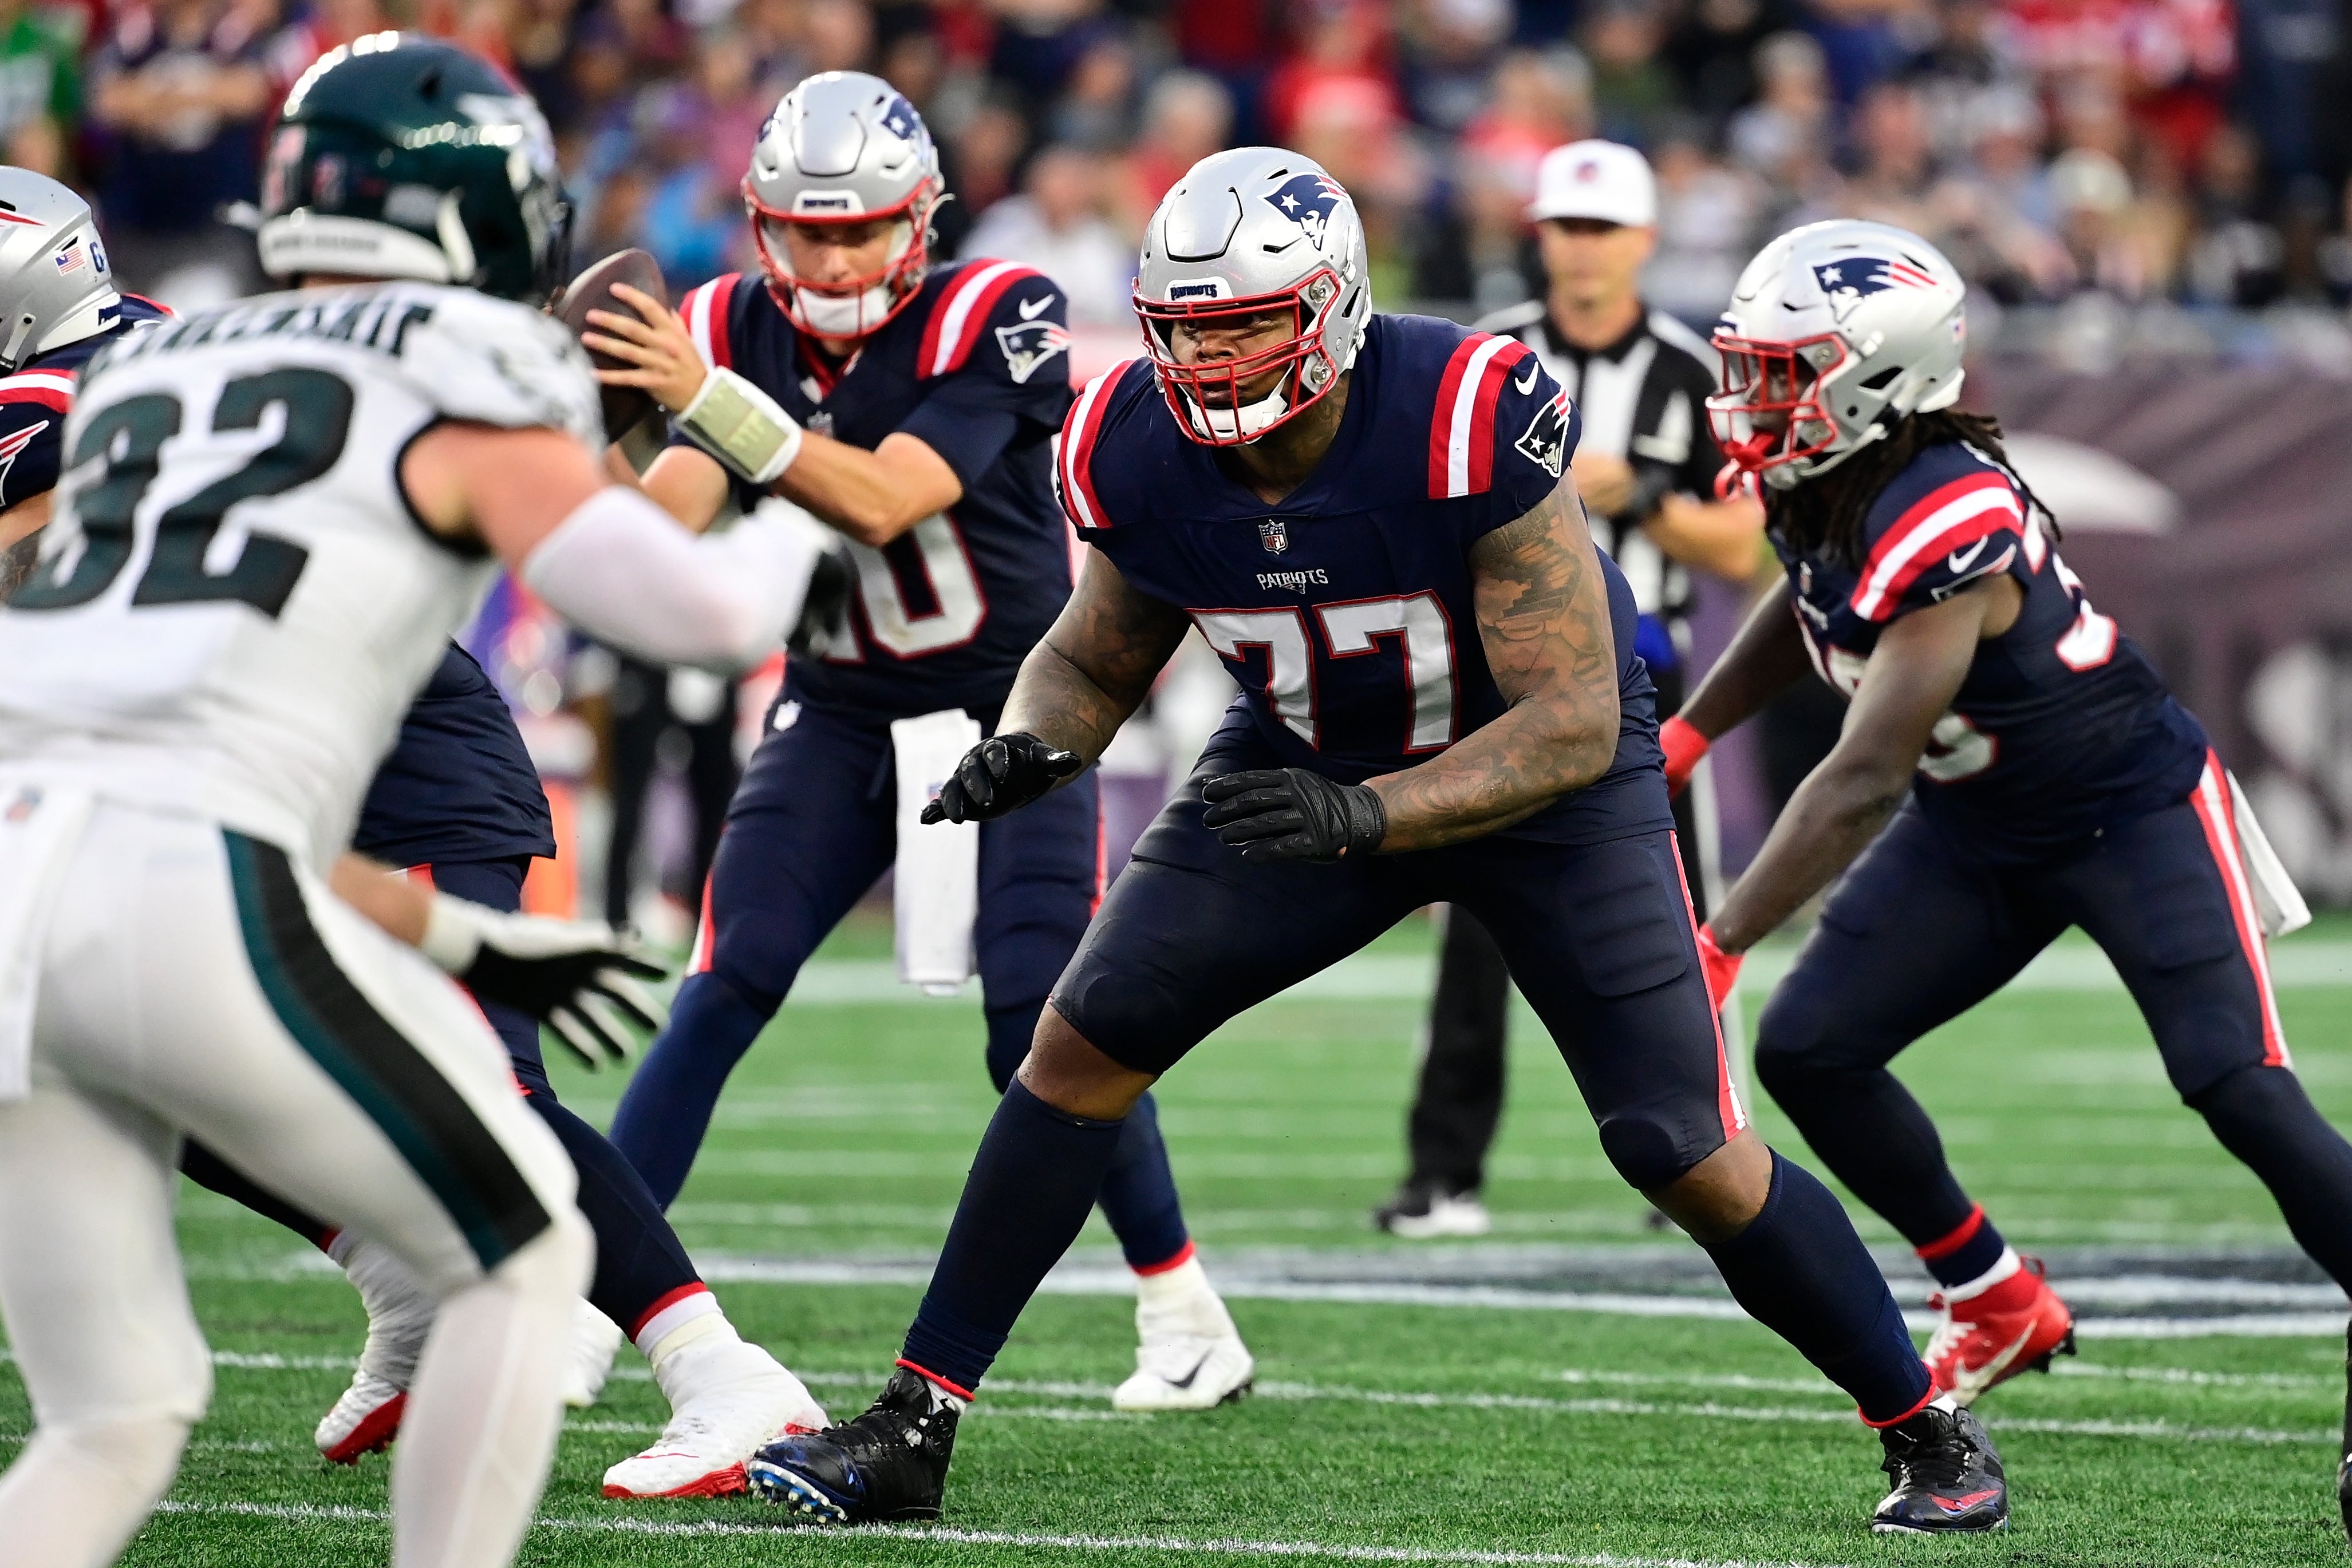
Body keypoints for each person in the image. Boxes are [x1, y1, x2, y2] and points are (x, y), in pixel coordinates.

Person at [742, 149, 2008, 1536]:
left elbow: (1577, 715)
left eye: (1247, 321)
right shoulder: (1126, 433)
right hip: (1306, 752)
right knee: (1081, 1039)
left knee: (1677, 1143)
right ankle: (916, 1420)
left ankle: (1925, 1426)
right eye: (1188, 325)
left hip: (1544, 791)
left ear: (1335, 307)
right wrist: (1036, 737)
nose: (1213, 357)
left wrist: (1369, 815)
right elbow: (1095, 654)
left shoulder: (1462, 405)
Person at [0, 37, 835, 1565]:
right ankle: (473, 1300)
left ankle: (711, 1368)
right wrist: (793, 500)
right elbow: (678, 594)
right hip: (244, 791)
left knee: (135, 1368)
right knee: (442, 1179)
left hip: (321, 781)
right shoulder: (236, 349)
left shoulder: (128, 381)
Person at [1671, 220, 2352, 1537]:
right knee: (1814, 1047)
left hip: (2124, 806)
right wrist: (1694, 731)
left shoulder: (1948, 511)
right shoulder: (1818, 469)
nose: (1752, 396)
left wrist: (1722, 932)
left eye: (1780, 370)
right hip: (1980, 820)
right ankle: (1988, 1288)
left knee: (2232, 1081)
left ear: (1873, 377)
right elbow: (1807, 603)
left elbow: (1863, 772)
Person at [583, 69, 1251, 1413]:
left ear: (921, 222)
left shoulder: (995, 309)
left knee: (1040, 1023)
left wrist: (706, 396)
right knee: (725, 981)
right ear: (765, 226)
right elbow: (663, 527)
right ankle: (591, 1302)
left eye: (861, 229)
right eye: (808, 230)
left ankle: (1180, 1305)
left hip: (1016, 704)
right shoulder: (727, 323)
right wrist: (592, 437)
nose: (833, 258)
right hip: (838, 699)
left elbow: (889, 497)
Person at [1374, 138, 1767, 1239]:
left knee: (1677, 927)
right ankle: (1441, 1172)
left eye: (1601, 231)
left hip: (1652, 675)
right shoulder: (1487, 360)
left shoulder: (1689, 370)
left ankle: (1706, 1161)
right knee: (1474, 927)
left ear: (1642, 241)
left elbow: (1743, 549)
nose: (1581, 251)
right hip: (1506, 675)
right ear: (1538, 236)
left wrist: (1638, 494)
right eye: (1564, 228)